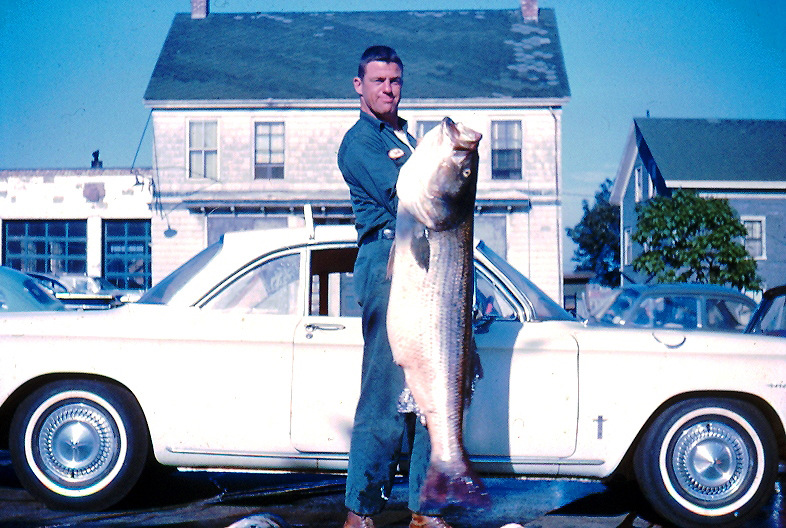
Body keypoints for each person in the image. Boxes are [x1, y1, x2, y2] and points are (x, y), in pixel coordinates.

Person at [338, 46, 451, 528]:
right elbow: (409, 195)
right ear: (358, 86)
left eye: (396, 81)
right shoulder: (359, 143)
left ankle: (426, 513)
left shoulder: (411, 137)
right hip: (388, 267)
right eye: (379, 80)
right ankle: (359, 513)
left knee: (434, 398)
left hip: (428, 268)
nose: (388, 89)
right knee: (384, 397)